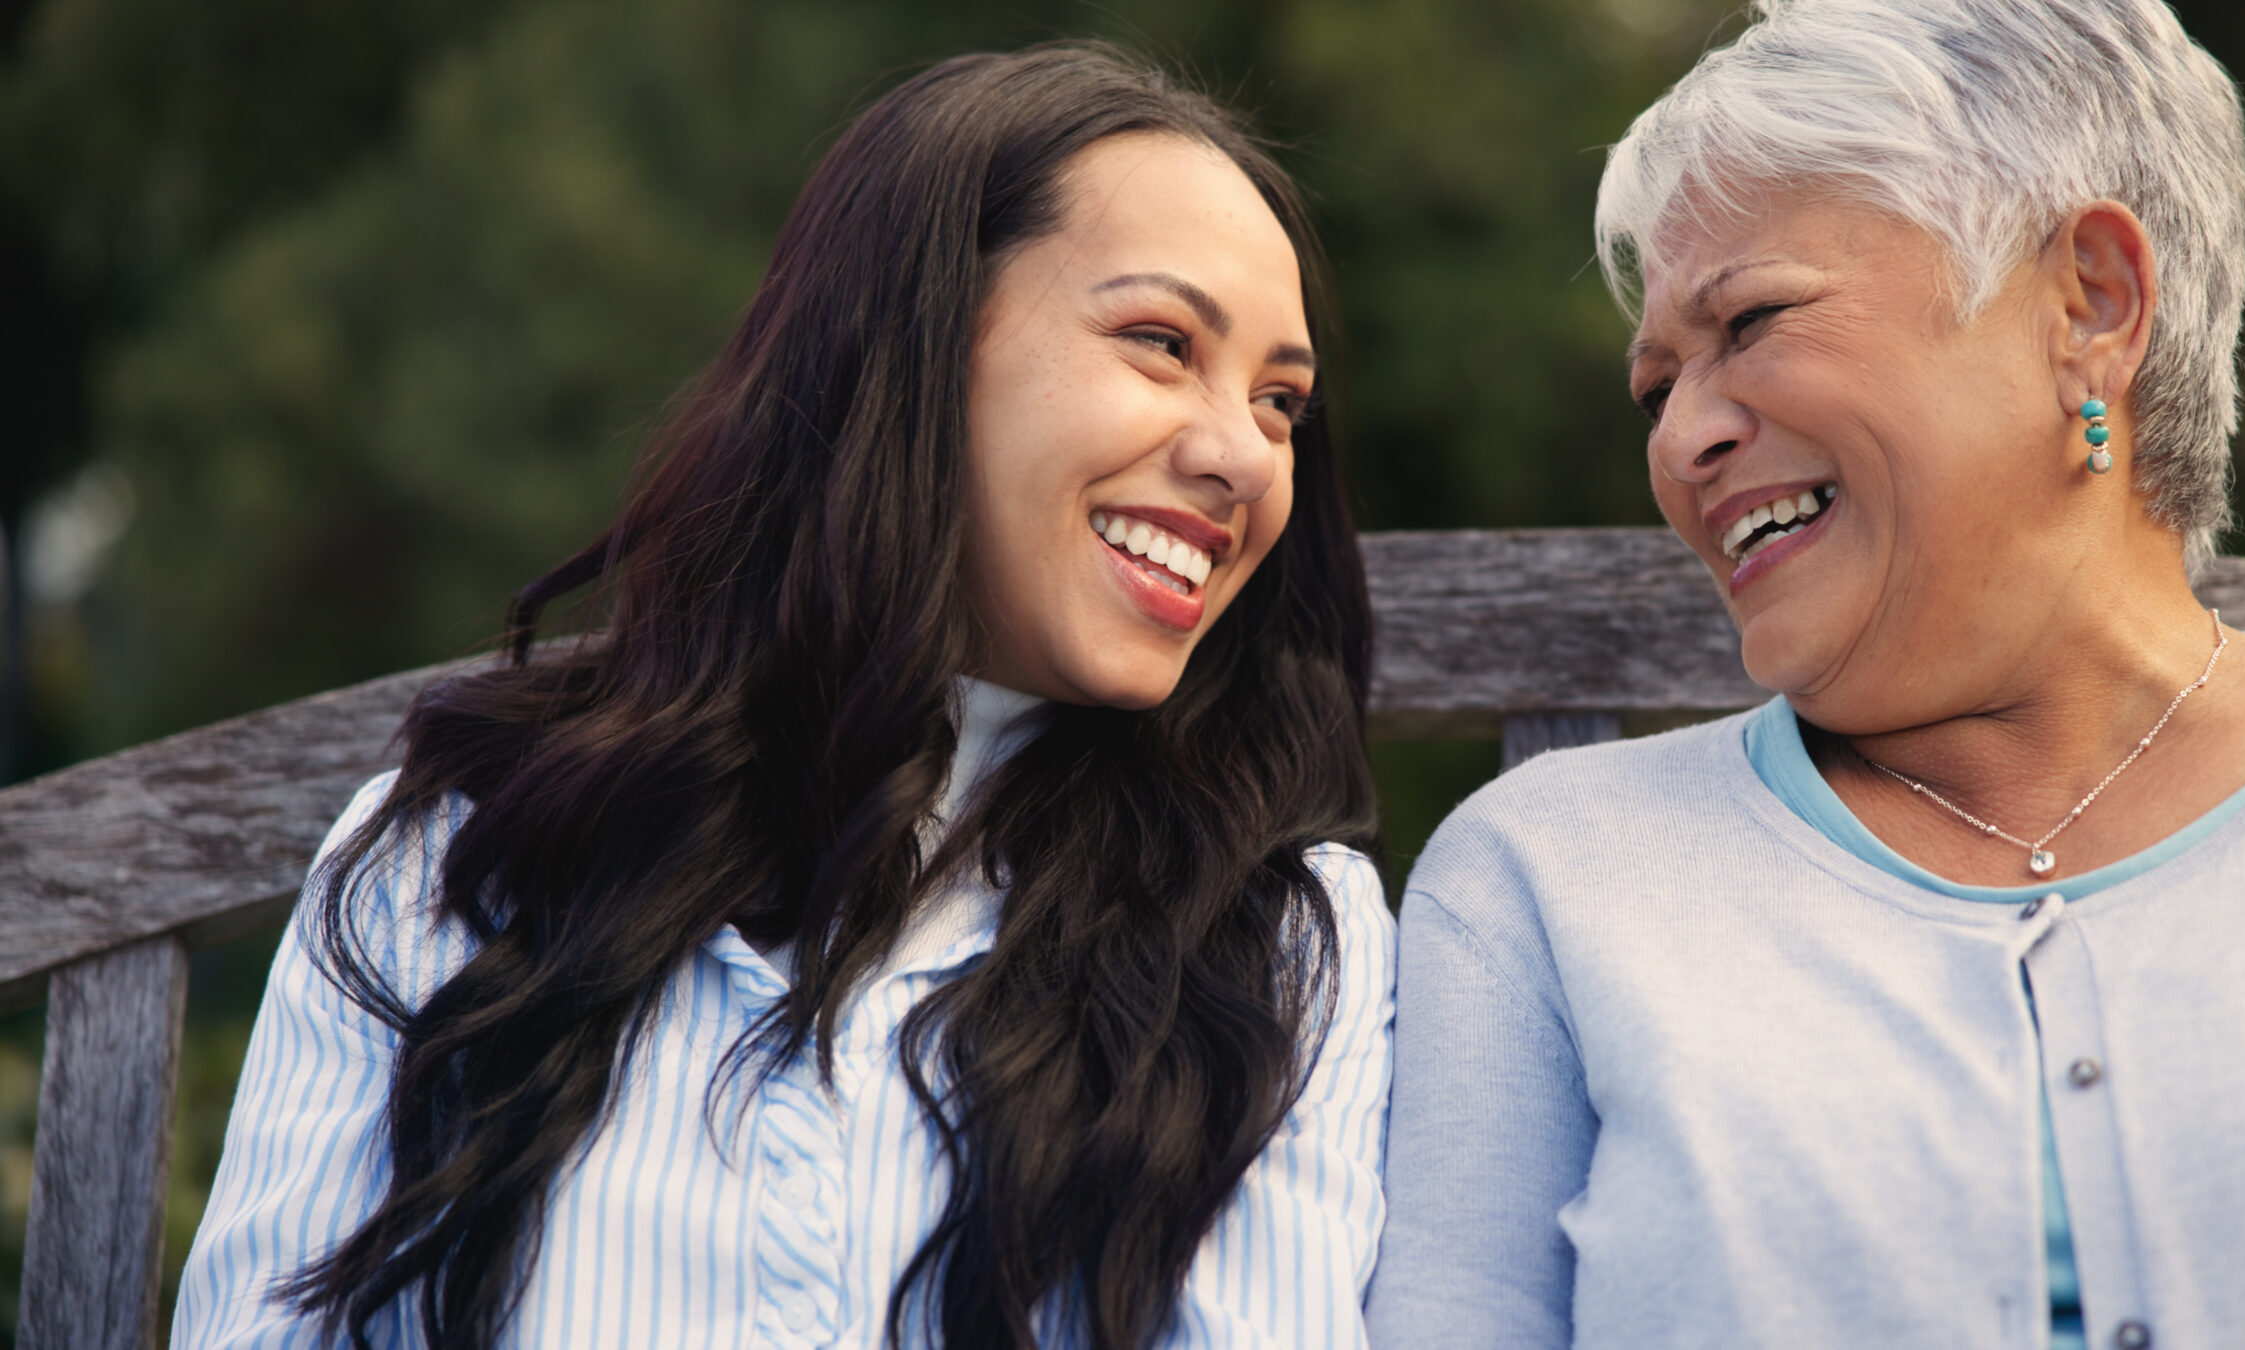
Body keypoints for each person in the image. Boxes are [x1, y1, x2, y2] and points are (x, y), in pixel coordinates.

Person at [1366, 1, 2245, 1347]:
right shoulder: (1549, 877)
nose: (1682, 437)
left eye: (1751, 320)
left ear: (2090, 304)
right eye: (1657, 387)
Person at [176, 43, 1392, 1350]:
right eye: (1161, 343)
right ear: (916, 339)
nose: (1240, 458)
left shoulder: (1271, 940)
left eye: (1281, 401)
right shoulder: (460, 859)